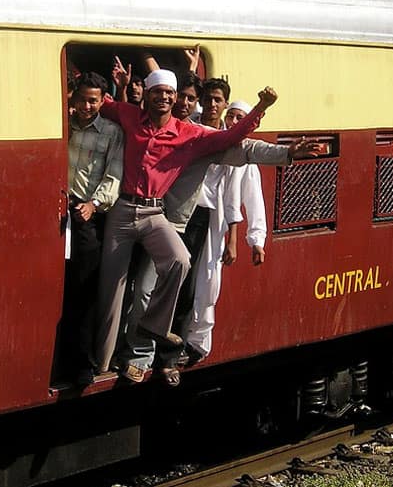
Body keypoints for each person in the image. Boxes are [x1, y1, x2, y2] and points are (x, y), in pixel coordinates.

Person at [93, 69, 279, 382]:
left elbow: (230, 139)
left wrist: (260, 108)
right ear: (148, 95)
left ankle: (153, 328)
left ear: (176, 97)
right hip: (123, 210)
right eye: (157, 92)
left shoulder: (187, 133)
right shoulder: (129, 116)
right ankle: (101, 363)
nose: (163, 97)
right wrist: (109, 90)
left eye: (169, 92)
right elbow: (101, 103)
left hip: (155, 213)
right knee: (112, 291)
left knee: (180, 261)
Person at [183, 100, 266, 364]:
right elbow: (197, 106)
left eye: (240, 118)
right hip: (193, 215)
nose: (233, 122)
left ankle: (198, 341)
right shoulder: (208, 137)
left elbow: (252, 201)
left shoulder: (245, 160)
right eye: (231, 116)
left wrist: (255, 240)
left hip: (216, 223)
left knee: (208, 280)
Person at [62, 72, 124, 385]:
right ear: (72, 97)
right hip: (58, 211)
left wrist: (93, 205)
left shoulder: (111, 132)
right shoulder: (62, 123)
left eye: (94, 100)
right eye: (82, 99)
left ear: (102, 101)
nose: (87, 106)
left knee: (83, 291)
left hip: (86, 214)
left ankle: (81, 363)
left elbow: (114, 175)